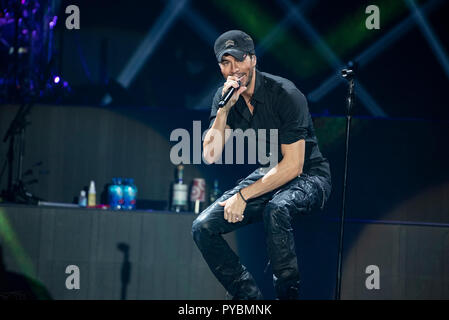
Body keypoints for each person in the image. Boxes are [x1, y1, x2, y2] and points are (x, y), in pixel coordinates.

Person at [192, 30, 332, 300]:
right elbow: (210, 154)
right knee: (202, 227)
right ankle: (248, 299)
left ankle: (287, 295)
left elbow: (293, 166)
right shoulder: (225, 97)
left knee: (276, 209)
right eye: (225, 63)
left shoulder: (286, 94)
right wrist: (223, 110)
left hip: (310, 176)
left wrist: (243, 196)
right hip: (270, 172)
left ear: (253, 60)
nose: (233, 70)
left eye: (239, 60)